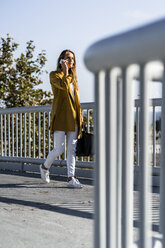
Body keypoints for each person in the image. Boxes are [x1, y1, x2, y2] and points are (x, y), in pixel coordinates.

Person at [40, 49, 83, 188]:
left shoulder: (73, 78)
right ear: (61, 60)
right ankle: (45, 167)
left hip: (74, 117)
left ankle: (71, 178)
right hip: (60, 117)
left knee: (72, 149)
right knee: (59, 149)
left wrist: (80, 118)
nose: (71, 61)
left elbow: (76, 101)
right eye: (68, 58)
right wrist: (65, 71)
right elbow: (64, 86)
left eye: (72, 59)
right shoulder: (54, 75)